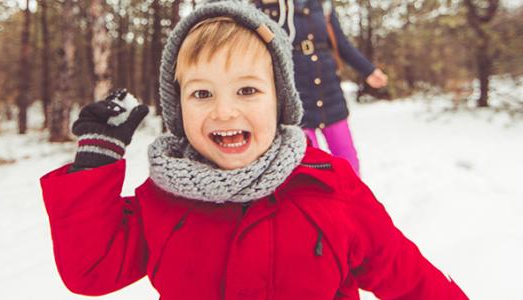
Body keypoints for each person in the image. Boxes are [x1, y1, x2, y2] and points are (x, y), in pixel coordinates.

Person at [39, 1, 466, 299]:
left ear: (280, 100)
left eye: (247, 90)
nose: (225, 111)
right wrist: (97, 158)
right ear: (178, 108)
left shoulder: (331, 189)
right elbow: (91, 271)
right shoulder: (163, 198)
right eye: (202, 94)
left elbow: (412, 282)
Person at [255, 0, 388, 176]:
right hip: (294, 98)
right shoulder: (262, 7)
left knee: (349, 164)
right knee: (311, 168)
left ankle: (350, 203)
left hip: (329, 91)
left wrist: (369, 70)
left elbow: (341, 43)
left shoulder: (321, 4)